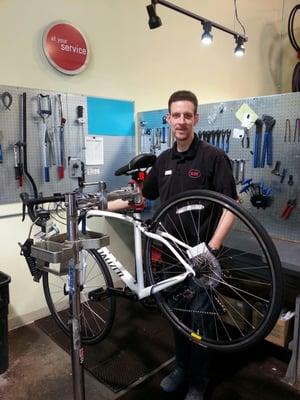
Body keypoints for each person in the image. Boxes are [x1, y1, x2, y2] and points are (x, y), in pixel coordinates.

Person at [142, 90, 238, 400]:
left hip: (200, 258)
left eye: (187, 115)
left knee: (201, 320)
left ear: (196, 118)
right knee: (177, 316)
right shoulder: (164, 159)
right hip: (170, 256)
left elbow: (231, 206)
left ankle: (199, 379)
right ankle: (181, 368)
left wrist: (213, 247)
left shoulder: (213, 157)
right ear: (168, 119)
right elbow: (149, 194)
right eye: (176, 115)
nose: (181, 121)